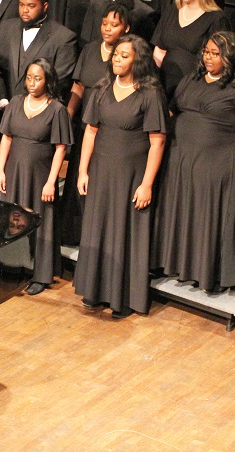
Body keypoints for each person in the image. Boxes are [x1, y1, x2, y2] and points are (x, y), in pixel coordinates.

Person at [155, 31, 235, 292]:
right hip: (183, 163)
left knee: (211, 219)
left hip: (219, 165)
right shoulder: (191, 79)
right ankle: (180, 266)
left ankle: (209, 273)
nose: (208, 58)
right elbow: (172, 110)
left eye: (215, 53)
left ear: (231, 56)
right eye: (206, 52)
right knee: (186, 215)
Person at [73, 35, 168, 318]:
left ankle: (122, 297)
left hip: (132, 174)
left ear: (137, 60)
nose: (117, 59)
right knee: (98, 227)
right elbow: (90, 131)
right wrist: (82, 170)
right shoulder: (102, 89)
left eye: (124, 55)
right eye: (116, 54)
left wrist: (147, 183)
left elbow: (158, 141)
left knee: (126, 231)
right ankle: (95, 290)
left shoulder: (150, 94)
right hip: (102, 171)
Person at [0, 58, 73, 295]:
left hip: (40, 175)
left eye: (38, 78)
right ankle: (11, 268)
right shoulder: (17, 102)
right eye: (29, 77)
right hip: (14, 172)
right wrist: (0, 170)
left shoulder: (57, 109)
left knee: (40, 221)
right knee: (11, 218)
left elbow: (61, 147)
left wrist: (52, 182)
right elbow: (7, 137)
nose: (32, 83)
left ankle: (40, 273)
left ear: (47, 80)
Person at [60, 0, 131, 246]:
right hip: (85, 125)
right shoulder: (90, 49)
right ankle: (73, 232)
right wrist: (67, 114)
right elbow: (78, 87)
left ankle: (97, 235)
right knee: (78, 174)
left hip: (110, 128)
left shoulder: (127, 56)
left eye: (114, 24)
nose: (107, 29)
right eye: (104, 23)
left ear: (126, 29)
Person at [0, 0, 78, 108]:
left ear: (45, 6)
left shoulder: (63, 38)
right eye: (21, 5)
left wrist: (32, 107)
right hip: (4, 111)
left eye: (31, 6)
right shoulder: (6, 29)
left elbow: (59, 81)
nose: (24, 10)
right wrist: (3, 100)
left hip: (40, 114)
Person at [152, 0, 230, 99]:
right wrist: (154, 79)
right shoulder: (172, 11)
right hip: (164, 84)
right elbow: (159, 49)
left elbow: (221, 59)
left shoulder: (215, 18)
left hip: (194, 89)